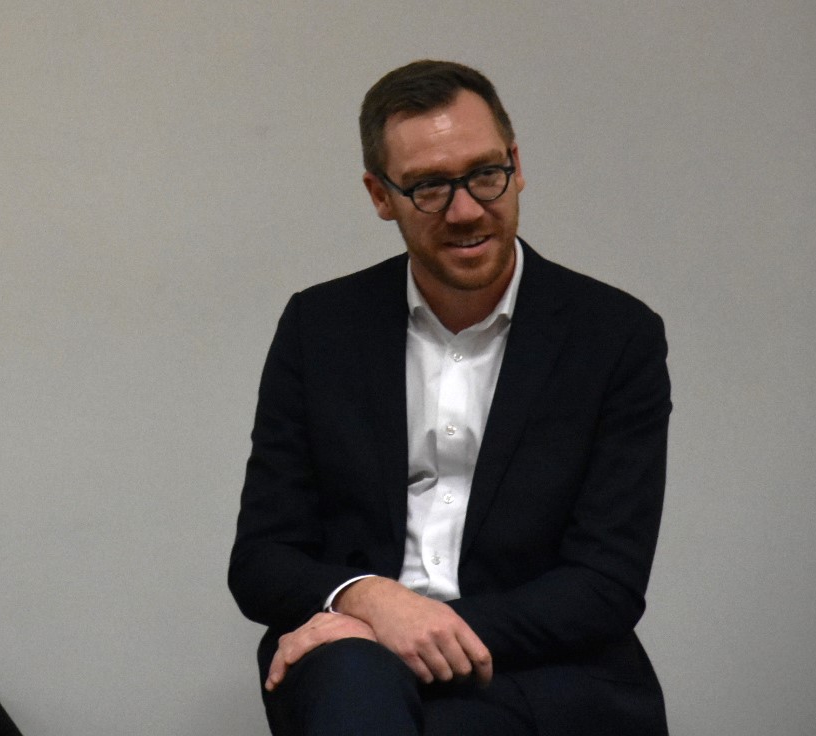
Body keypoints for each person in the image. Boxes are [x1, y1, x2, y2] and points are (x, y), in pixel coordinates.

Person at [228, 60, 671, 735]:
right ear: (381, 195)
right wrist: (370, 600)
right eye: (430, 187)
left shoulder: (615, 335)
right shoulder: (319, 328)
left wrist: (408, 629)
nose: (466, 210)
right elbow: (262, 560)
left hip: (545, 669)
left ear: (517, 165)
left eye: (485, 174)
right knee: (353, 685)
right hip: (355, 662)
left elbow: (605, 582)